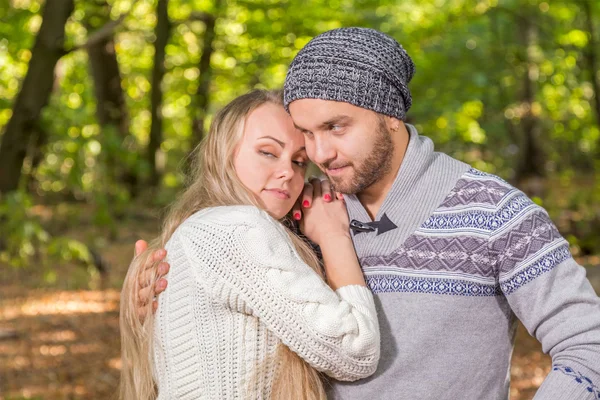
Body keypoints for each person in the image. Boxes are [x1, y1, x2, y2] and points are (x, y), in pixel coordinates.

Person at [141, 28, 600, 399]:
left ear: (391, 115)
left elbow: (588, 346)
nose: (320, 153)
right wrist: (148, 290)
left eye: (336, 127)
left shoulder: (495, 212)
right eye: (306, 134)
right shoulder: (295, 210)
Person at [119, 89, 381, 400]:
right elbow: (356, 351)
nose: (288, 172)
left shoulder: (197, 228)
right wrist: (333, 234)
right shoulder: (236, 228)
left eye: (299, 161)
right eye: (268, 152)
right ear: (224, 153)